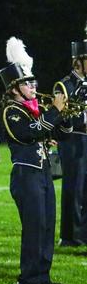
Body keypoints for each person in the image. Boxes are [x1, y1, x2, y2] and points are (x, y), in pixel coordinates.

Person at [0, 37, 67, 284]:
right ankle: (29, 277)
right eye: (28, 82)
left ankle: (42, 275)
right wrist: (55, 112)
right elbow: (28, 132)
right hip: (26, 175)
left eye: (33, 81)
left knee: (48, 224)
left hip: (43, 172)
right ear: (15, 88)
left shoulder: (33, 109)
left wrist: (63, 116)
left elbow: (58, 132)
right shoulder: (12, 111)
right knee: (34, 226)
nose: (33, 85)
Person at [54, 37, 87, 247]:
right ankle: (70, 235)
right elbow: (61, 115)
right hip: (73, 139)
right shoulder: (65, 85)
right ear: (79, 62)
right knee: (74, 187)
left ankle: (84, 233)